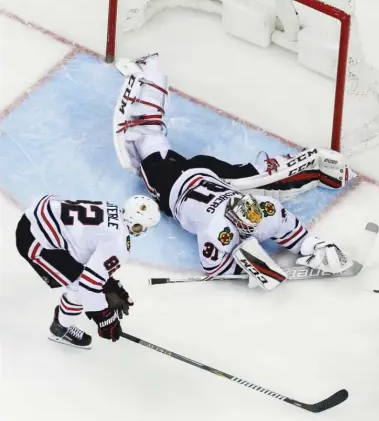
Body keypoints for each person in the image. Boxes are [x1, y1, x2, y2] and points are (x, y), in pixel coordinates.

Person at [112, 54, 354, 289]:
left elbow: (218, 266)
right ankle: (150, 71)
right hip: (186, 180)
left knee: (147, 142)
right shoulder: (231, 224)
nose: (251, 227)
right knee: (253, 178)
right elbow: (216, 268)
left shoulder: (261, 211)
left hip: (197, 176)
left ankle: (151, 71)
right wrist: (248, 271)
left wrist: (316, 246)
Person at [15, 194, 161, 348]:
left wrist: (107, 284)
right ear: (136, 224)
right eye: (144, 227)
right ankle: (61, 328)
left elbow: (89, 247)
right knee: (79, 289)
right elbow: (87, 286)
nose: (144, 230)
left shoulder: (110, 207)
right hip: (35, 240)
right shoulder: (118, 243)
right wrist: (104, 319)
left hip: (40, 214)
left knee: (86, 277)